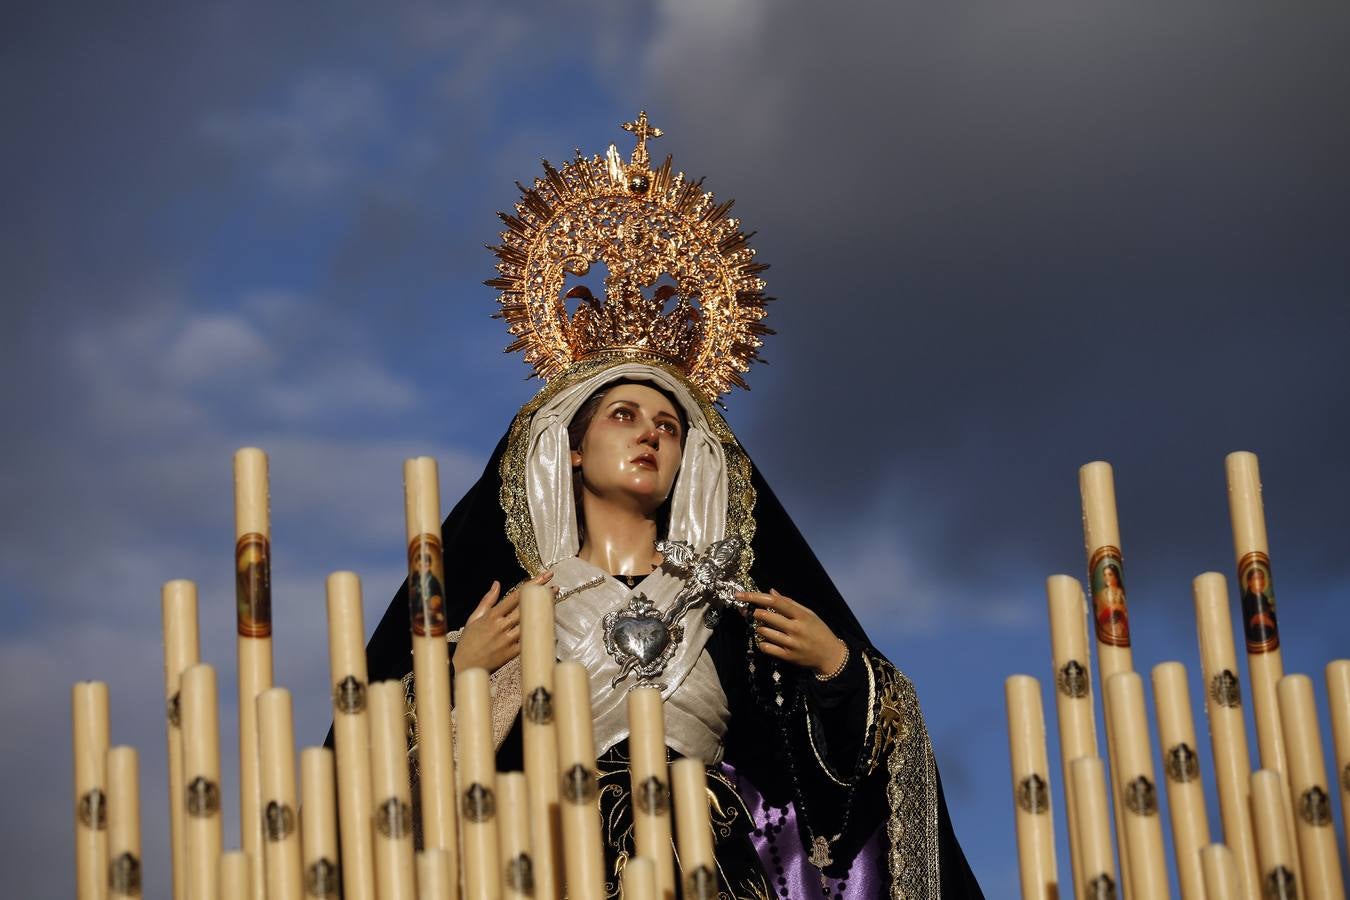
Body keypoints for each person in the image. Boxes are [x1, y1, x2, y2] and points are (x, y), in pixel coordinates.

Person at [363, 114, 983, 898]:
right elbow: (402, 799)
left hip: (711, 864)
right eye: (623, 416)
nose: (651, 436)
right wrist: (460, 672)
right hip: (553, 861)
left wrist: (834, 670)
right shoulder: (524, 615)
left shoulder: (728, 616)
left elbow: (845, 799)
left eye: (669, 426)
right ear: (572, 448)